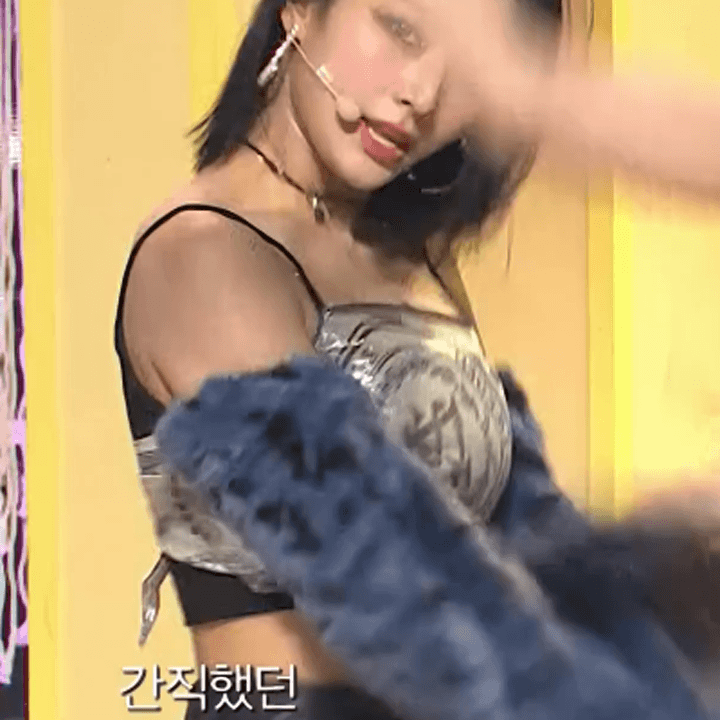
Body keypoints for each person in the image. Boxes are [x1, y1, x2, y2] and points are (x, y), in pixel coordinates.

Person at [115, 0, 719, 718]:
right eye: (399, 28)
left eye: (467, 66)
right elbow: (395, 590)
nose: (422, 95)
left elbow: (511, 557)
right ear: (300, 9)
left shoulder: (404, 258)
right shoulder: (203, 257)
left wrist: (664, 561)